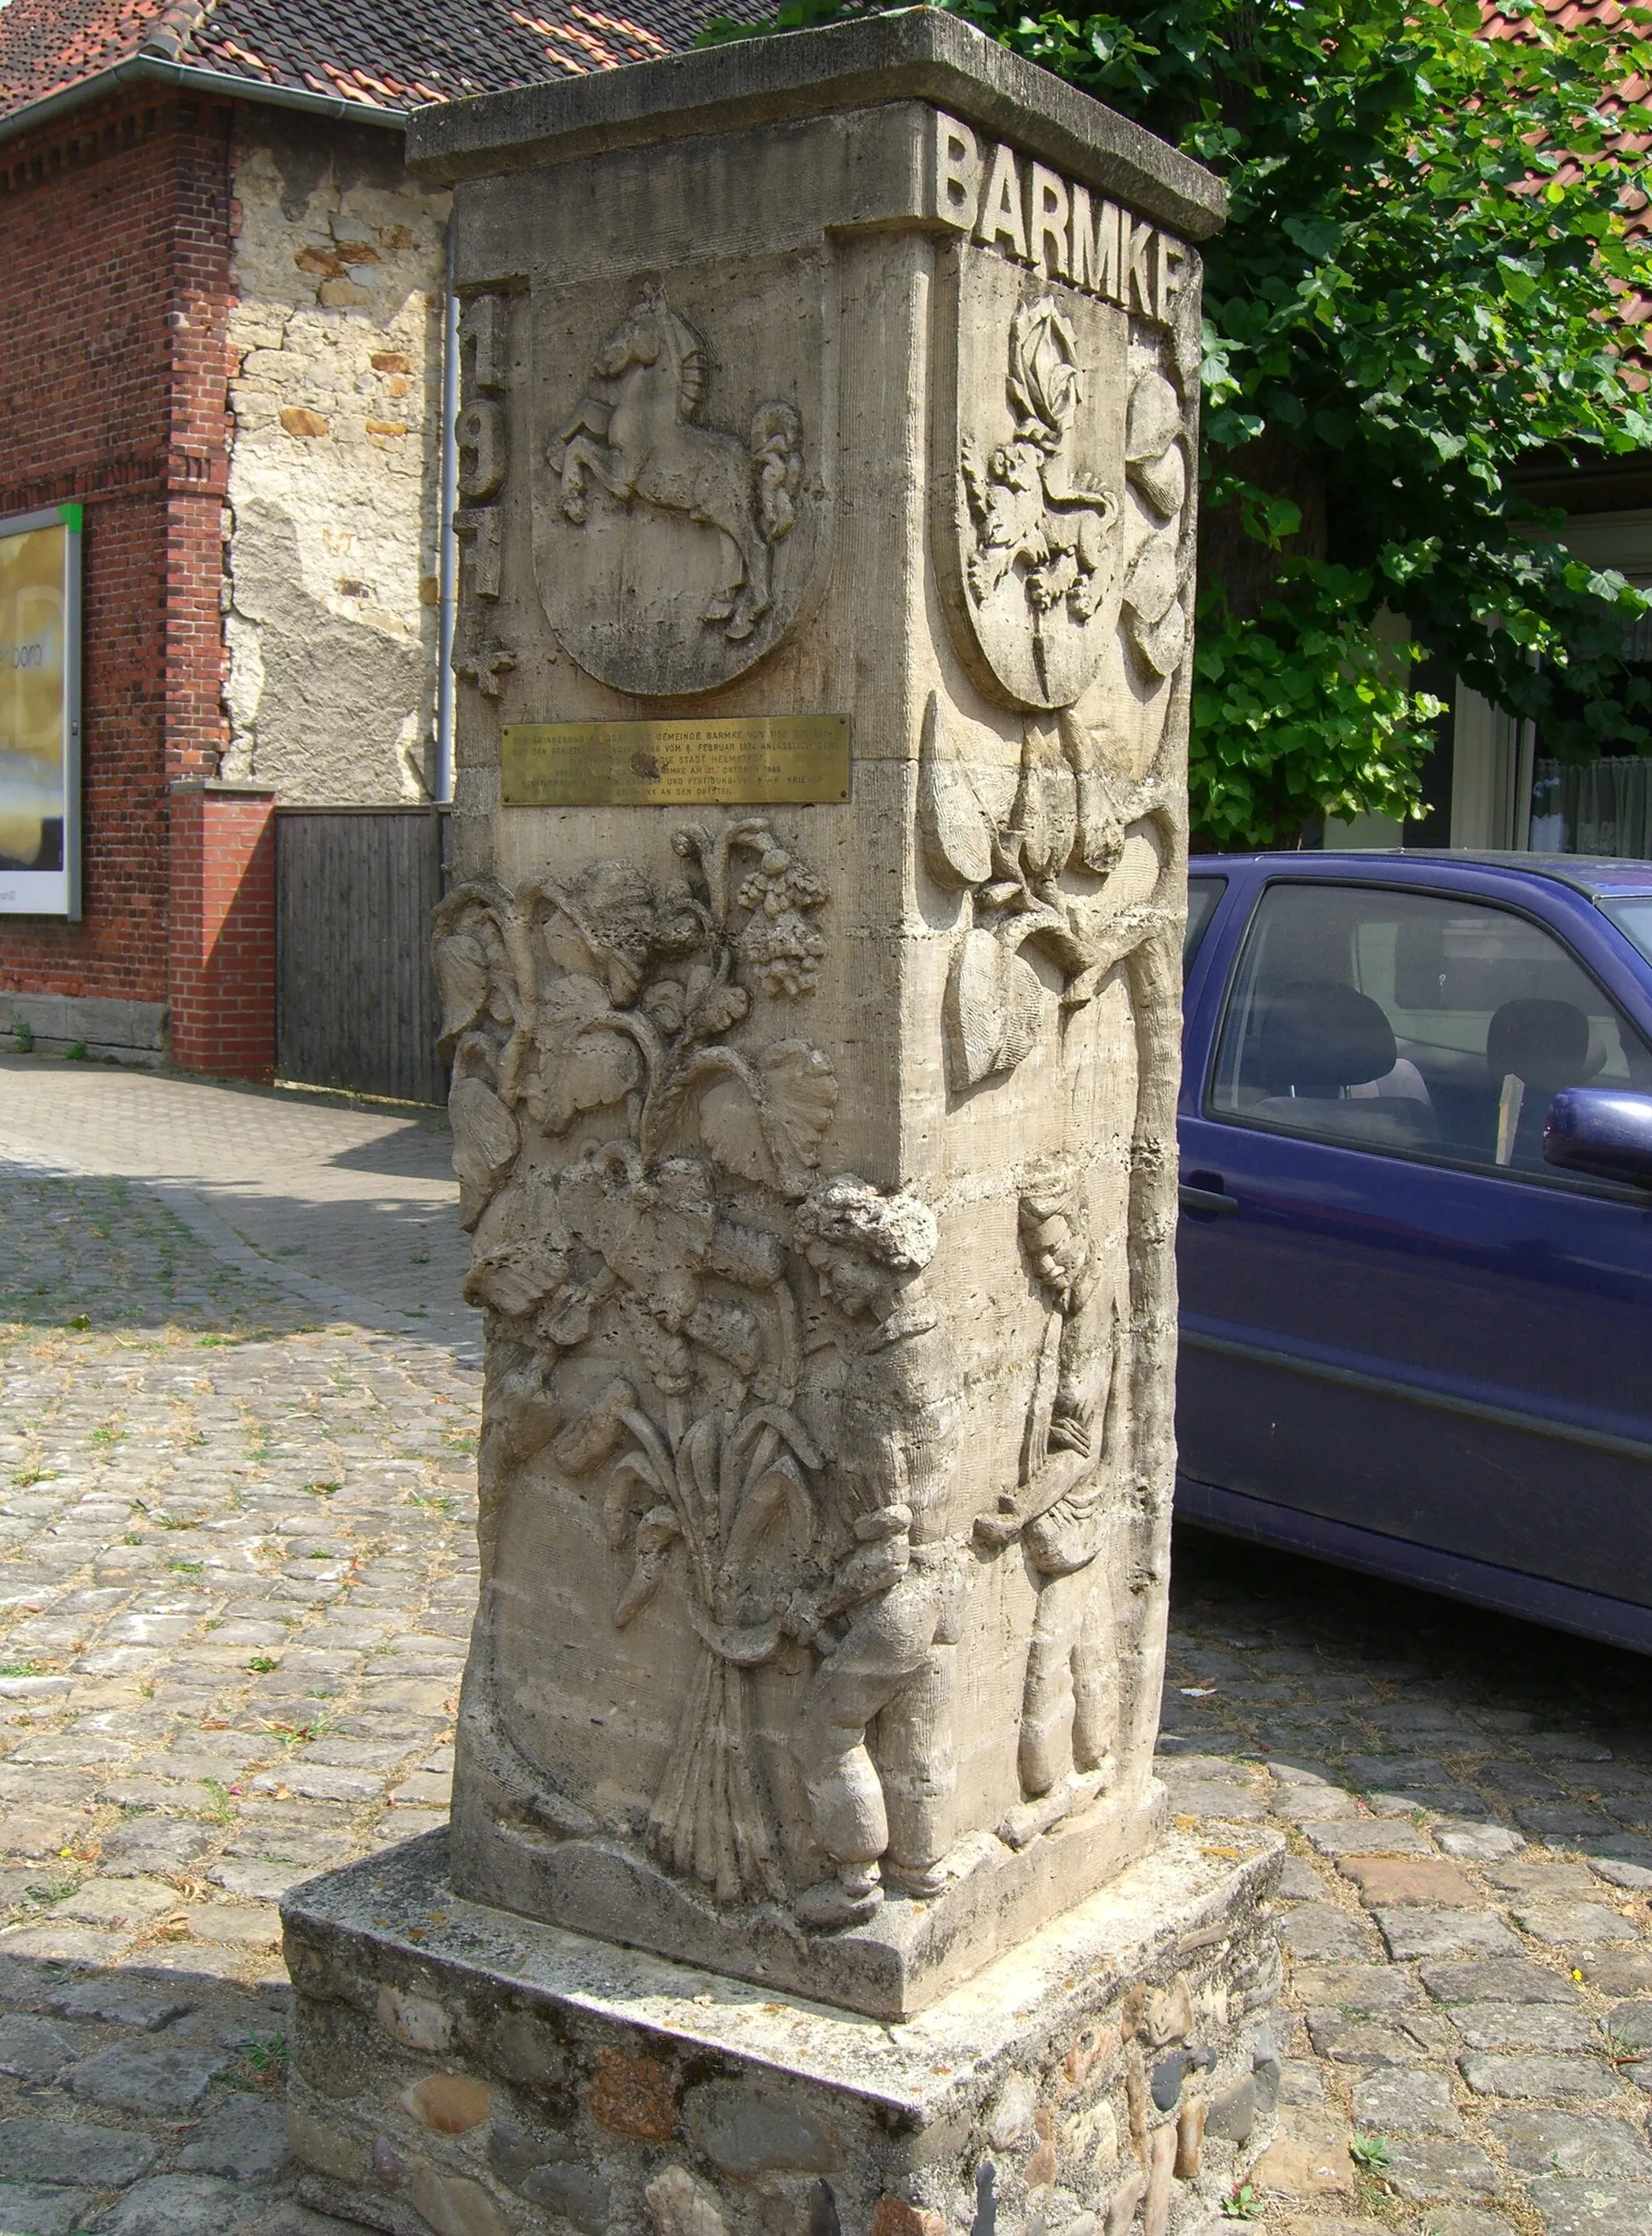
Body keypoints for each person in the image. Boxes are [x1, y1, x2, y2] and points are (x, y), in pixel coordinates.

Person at [786, 1174, 965, 1928]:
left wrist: (816, 1604)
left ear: (876, 1263)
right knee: (920, 1728)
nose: (827, 1287)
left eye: (834, 1269)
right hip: (950, 1581)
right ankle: (923, 1868)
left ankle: (856, 1878)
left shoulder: (875, 1379)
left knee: (825, 1729)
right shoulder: (940, 1337)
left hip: (900, 1596)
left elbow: (884, 1547)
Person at [975, 1168, 1120, 1847]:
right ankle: (1097, 1764)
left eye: (1059, 1251)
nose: (1050, 1267)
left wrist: (1019, 1509)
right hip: (1068, 1521)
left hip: (1069, 1515)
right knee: (1089, 1645)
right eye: (1038, 1259)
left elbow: (1078, 1447)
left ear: (1084, 1232)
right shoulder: (1074, 1301)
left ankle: (1052, 1789)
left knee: (1046, 1659)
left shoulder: (1092, 1317)